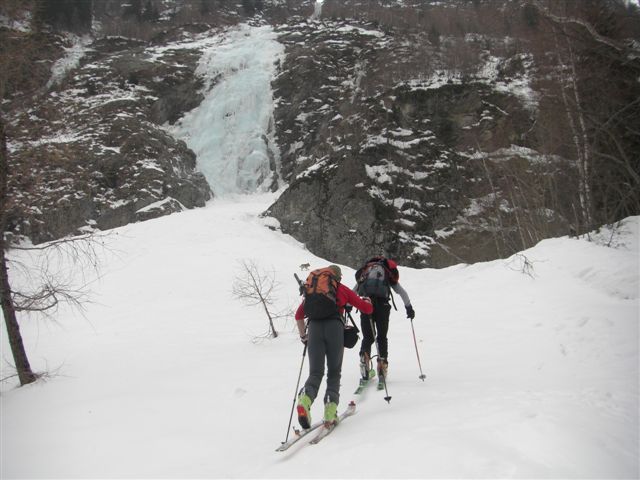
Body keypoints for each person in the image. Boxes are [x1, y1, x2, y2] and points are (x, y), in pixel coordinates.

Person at [295, 265, 373, 428]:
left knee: (315, 372)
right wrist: (368, 302)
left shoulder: (313, 291)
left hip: (314, 329)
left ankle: (305, 399)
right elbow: (366, 309)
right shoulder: (341, 289)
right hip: (335, 329)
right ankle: (330, 411)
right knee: (334, 372)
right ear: (337, 278)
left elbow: (299, 315)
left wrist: (303, 336)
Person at [353, 255, 414, 381]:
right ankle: (382, 364)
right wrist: (409, 307)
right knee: (381, 337)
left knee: (368, 337)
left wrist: (348, 306)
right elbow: (401, 292)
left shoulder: (366, 273)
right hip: (383, 306)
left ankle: (365, 356)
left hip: (366, 304)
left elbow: (353, 291)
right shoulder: (386, 272)